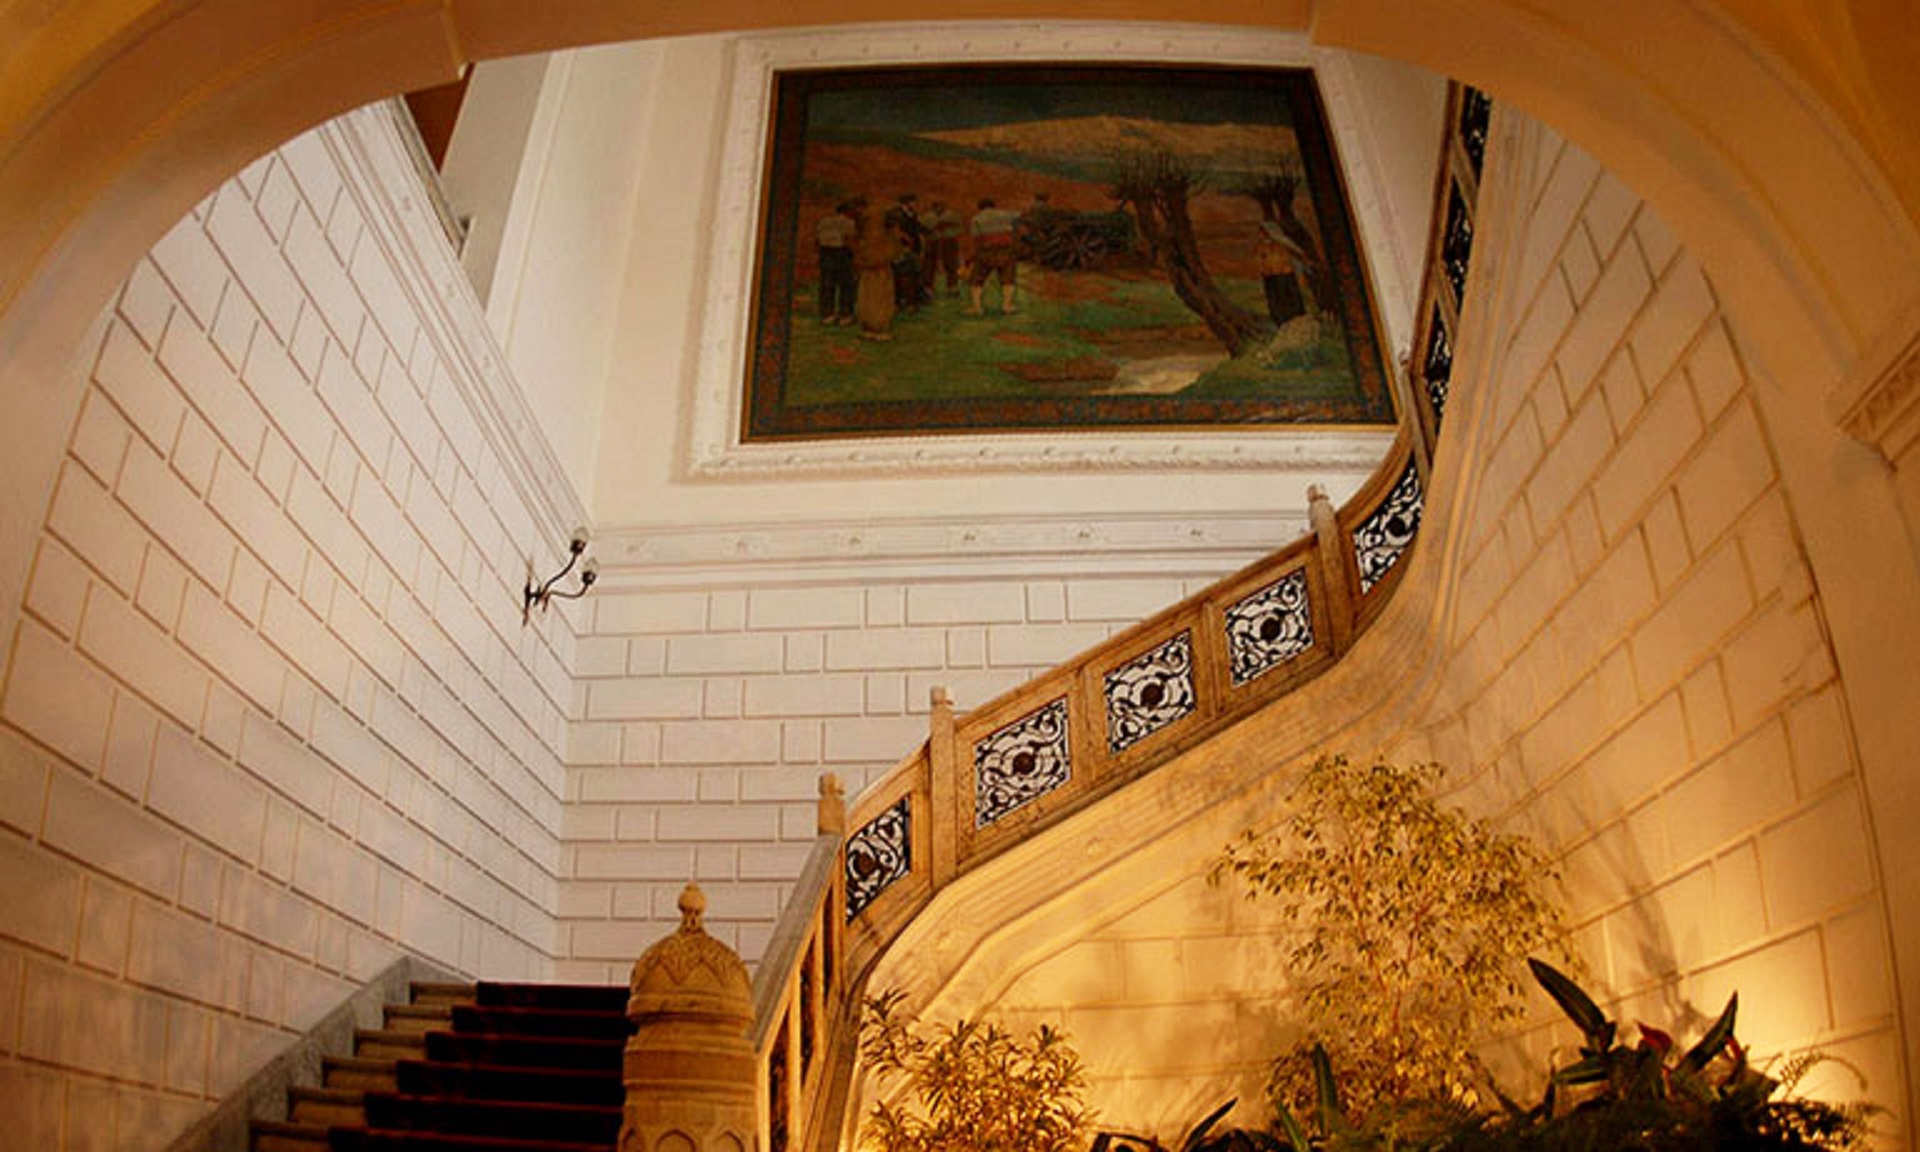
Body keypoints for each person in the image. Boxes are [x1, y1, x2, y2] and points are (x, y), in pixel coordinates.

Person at [852, 197, 900, 340]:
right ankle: (876, 327)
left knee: (871, 296)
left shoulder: (870, 231)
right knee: (878, 297)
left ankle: (872, 327)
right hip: (878, 269)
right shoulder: (881, 234)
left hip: (873, 268)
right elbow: (892, 252)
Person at [966, 197, 1022, 316]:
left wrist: (972, 257)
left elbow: (977, 239)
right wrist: (1014, 233)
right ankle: (1007, 306)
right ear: (993, 206)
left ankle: (977, 308)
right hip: (1006, 250)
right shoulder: (1006, 214)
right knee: (1008, 278)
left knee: (977, 279)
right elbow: (1020, 218)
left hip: (987, 251)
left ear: (980, 208)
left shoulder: (976, 218)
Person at [1256, 220, 1315, 327]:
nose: (1262, 234)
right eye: (1261, 232)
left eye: (1264, 232)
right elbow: (1260, 260)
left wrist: (1303, 262)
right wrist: (1264, 270)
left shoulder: (1282, 243)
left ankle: (1297, 317)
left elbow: (1295, 254)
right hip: (1271, 276)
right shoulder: (1262, 246)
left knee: (1289, 296)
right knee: (1276, 300)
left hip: (1285, 274)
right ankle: (1281, 320)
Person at [814, 201, 857, 324]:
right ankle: (845, 315)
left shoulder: (824, 221)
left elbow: (817, 240)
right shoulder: (848, 222)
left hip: (825, 253)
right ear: (847, 211)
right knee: (846, 285)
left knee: (827, 285)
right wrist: (855, 255)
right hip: (841, 253)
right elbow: (848, 239)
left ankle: (827, 315)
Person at [884, 192, 928, 311]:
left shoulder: (912, 213)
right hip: (900, 247)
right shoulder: (895, 213)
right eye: (913, 202)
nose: (915, 204)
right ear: (906, 202)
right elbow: (892, 230)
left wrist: (927, 232)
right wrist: (903, 239)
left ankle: (912, 300)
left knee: (914, 273)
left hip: (913, 247)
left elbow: (916, 226)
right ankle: (900, 301)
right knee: (901, 274)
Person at [922, 199, 963, 297]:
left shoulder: (952, 215)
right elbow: (922, 229)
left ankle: (952, 287)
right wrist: (932, 230)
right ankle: (928, 288)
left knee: (951, 264)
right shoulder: (927, 217)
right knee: (929, 264)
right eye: (937, 206)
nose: (939, 208)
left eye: (941, 206)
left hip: (949, 241)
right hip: (932, 241)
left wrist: (949, 229)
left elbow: (959, 228)